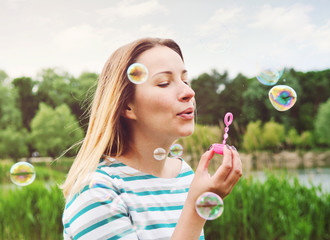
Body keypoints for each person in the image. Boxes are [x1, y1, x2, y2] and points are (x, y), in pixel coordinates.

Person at [61, 37, 242, 240]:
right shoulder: (96, 192)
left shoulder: (183, 175)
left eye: (185, 80)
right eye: (164, 83)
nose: (189, 92)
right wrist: (196, 206)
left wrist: (197, 201)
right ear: (126, 106)